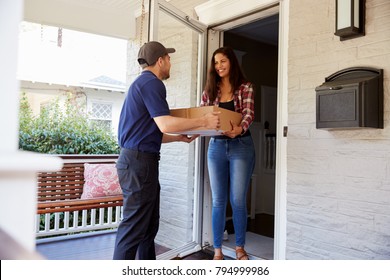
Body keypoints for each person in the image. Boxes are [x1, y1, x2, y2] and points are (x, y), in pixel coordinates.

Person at [113, 41, 220, 260]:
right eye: (168, 58)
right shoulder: (153, 84)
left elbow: (152, 132)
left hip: (138, 162)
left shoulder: (141, 84)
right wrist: (203, 121)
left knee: (147, 228)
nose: (170, 62)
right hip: (139, 165)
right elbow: (165, 123)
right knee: (133, 229)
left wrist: (179, 138)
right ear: (160, 60)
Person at [200, 46, 255, 260]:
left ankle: (240, 247)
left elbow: (249, 113)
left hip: (241, 146)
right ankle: (217, 250)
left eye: (223, 61)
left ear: (231, 62)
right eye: (216, 62)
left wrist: (240, 128)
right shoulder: (209, 91)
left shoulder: (245, 87)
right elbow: (203, 115)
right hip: (216, 148)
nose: (219, 66)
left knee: (238, 200)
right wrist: (195, 130)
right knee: (218, 201)